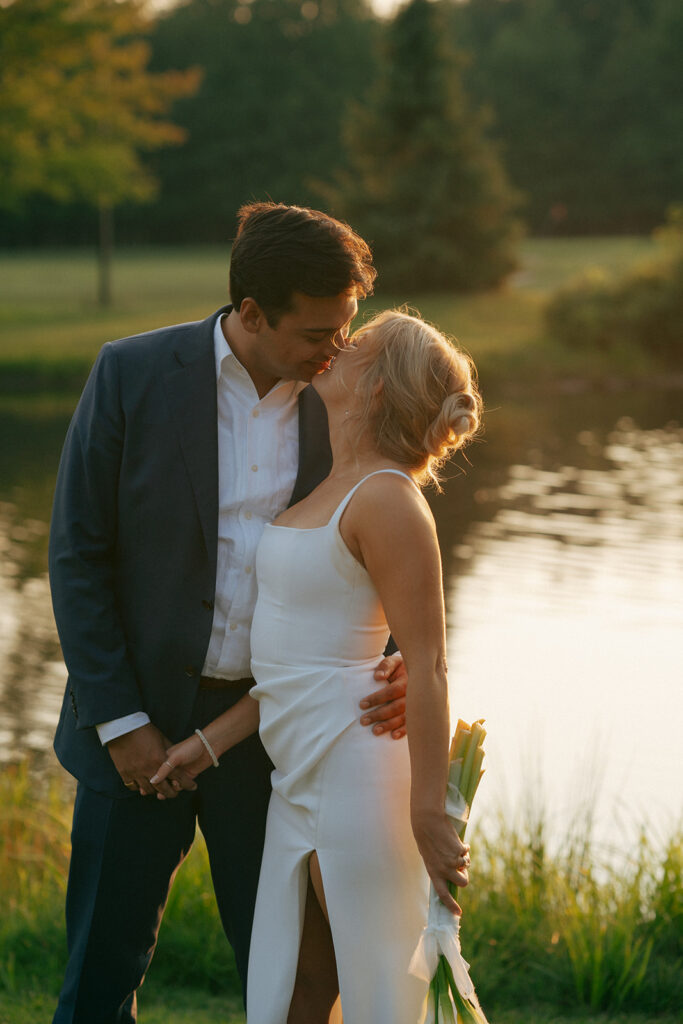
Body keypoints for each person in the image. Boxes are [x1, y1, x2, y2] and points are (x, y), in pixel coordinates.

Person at [48, 202, 409, 1024]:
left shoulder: (341, 397)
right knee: (97, 981)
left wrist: (389, 656)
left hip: (278, 735)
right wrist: (120, 721)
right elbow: (77, 556)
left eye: (346, 329)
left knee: (286, 986)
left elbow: (369, 542)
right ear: (251, 313)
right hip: (131, 728)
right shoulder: (131, 374)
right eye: (319, 332)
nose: (338, 350)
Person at [151, 308, 483, 1022]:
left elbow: (424, 665)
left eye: (356, 345)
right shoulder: (325, 487)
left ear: (375, 388)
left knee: (375, 988)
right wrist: (204, 747)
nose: (337, 344)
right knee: (298, 981)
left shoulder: (390, 500)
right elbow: (291, 673)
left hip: (358, 774)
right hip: (296, 776)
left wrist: (428, 807)